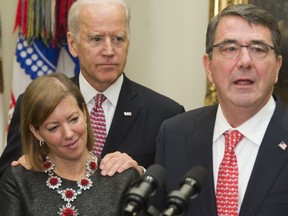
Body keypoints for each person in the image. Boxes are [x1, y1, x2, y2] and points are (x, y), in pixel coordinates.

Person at [0, 0, 184, 178]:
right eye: (96, 39)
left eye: (118, 39)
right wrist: (24, 170)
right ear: (73, 44)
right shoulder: (33, 105)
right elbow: (5, 182)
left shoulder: (165, 114)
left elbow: (173, 189)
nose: (109, 50)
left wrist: (140, 174)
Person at [153, 4, 288, 216]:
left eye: (258, 49)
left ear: (277, 67)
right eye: (230, 48)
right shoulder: (174, 134)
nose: (244, 62)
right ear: (209, 67)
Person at [0, 73, 139, 215]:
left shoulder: (123, 178)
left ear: (84, 112)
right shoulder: (18, 181)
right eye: (54, 127)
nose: (68, 134)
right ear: (37, 132)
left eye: (73, 119)